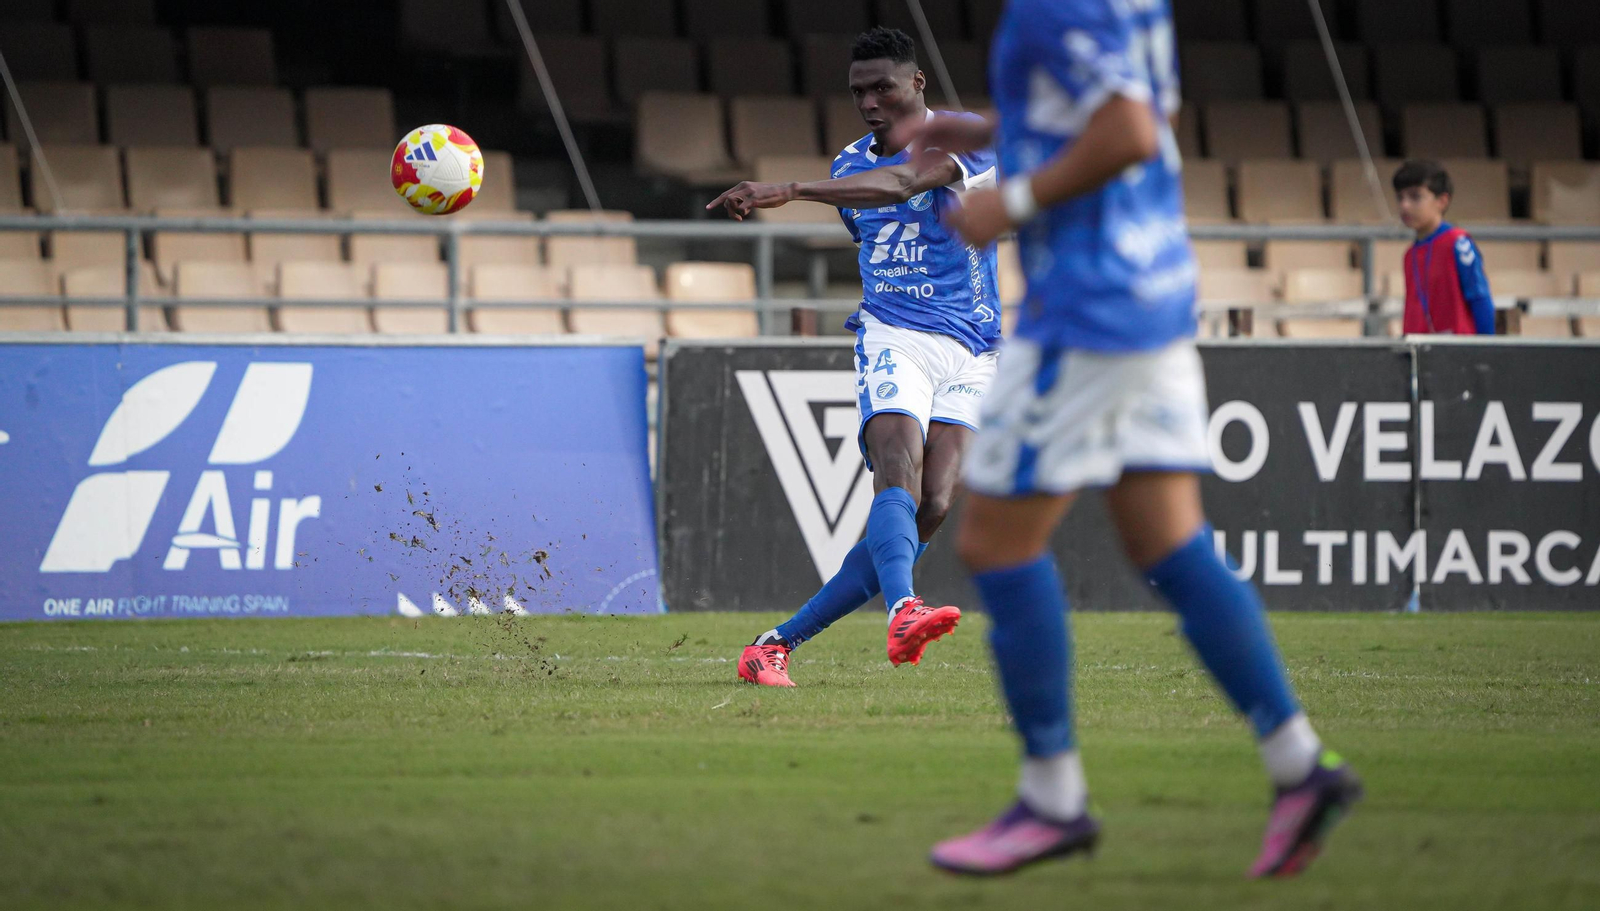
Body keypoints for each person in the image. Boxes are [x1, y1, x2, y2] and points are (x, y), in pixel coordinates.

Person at [911, 0, 1361, 878]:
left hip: (1087, 306)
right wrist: (991, 126)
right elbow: (1112, 104)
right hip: (1153, 290)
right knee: (1169, 543)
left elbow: (1129, 127)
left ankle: (1051, 799)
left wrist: (1014, 197)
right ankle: (1301, 767)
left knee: (996, 542)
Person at [707, 27, 1001, 687]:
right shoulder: (846, 164)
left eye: (882, 87)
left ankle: (774, 644)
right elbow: (871, 221)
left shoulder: (967, 138)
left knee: (936, 502)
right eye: (858, 91)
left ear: (918, 83)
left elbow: (903, 184)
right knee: (897, 460)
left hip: (976, 343)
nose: (869, 102)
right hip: (895, 331)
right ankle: (903, 608)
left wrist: (787, 189)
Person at [1395, 159, 1496, 335]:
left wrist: (1487, 351)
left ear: (1442, 201)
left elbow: (1479, 299)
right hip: (1421, 352)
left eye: (1415, 196)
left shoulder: (1458, 243)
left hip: (1459, 352)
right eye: (1400, 197)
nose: (1405, 205)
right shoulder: (1409, 255)